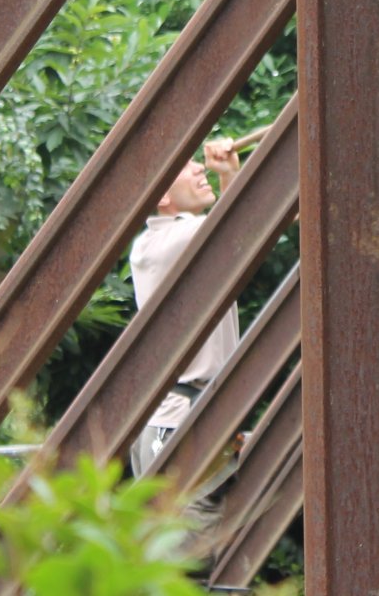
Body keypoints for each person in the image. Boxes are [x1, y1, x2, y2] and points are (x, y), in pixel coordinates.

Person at [127, 138, 241, 566]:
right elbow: (247, 221)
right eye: (187, 165)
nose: (199, 169)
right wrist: (228, 174)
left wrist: (227, 175)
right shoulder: (167, 243)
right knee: (183, 569)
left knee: (187, 566)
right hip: (179, 426)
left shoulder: (173, 240)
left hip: (186, 421)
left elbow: (243, 226)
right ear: (161, 194)